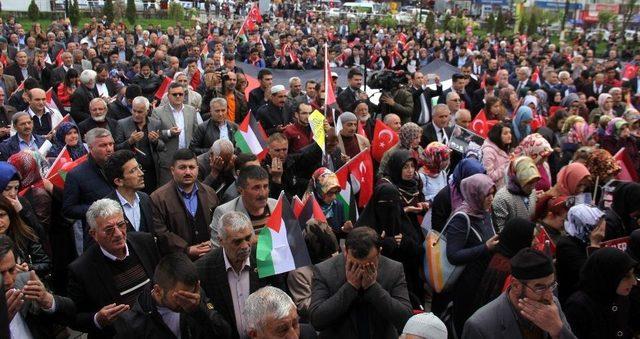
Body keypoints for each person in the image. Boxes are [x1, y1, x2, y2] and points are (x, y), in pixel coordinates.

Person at [67, 199, 160, 338]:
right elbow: (74, 318)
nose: (118, 234)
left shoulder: (145, 242)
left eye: (121, 225)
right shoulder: (81, 269)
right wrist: (98, 319)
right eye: (109, 230)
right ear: (93, 234)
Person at [196, 211, 287, 339]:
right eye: (237, 242)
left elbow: (281, 304)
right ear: (221, 241)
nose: (245, 246)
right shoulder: (203, 270)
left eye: (248, 238)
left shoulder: (266, 258)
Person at [309, 227, 413, 338]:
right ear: (345, 252)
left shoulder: (393, 269)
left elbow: (406, 320)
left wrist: (373, 288)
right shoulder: (325, 270)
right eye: (355, 265)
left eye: (369, 266)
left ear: (379, 253)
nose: (362, 271)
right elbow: (316, 320)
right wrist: (350, 287)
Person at [462, 248, 577, 339]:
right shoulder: (480, 325)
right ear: (516, 285)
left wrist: (557, 330)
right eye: (540, 288)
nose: (549, 295)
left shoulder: (552, 305)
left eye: (551, 285)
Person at [114, 252, 232, 338]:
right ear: (158, 291)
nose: (188, 301)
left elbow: (225, 333)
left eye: (190, 294)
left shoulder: (195, 298)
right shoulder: (134, 324)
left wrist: (199, 311)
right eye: (179, 297)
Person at [444, 173, 499, 336]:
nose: (491, 198)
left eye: (492, 193)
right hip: (465, 284)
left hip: (482, 280)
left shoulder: (485, 212)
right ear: (475, 194)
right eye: (487, 194)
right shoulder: (461, 218)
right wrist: (485, 248)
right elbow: (453, 255)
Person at [356, 181, 423, 308]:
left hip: (403, 284)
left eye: (392, 205)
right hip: (371, 284)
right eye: (383, 205)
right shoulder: (364, 226)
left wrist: (404, 243)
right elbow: (357, 251)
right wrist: (381, 245)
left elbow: (418, 250)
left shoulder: (403, 222)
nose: (388, 211)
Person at [0, 235, 76, 339]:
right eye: (0, 274)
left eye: (11, 270)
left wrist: (48, 301)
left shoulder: (26, 283)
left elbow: (71, 315)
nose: (8, 281)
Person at [150, 148, 218, 258]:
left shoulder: (209, 193)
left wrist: (214, 242)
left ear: (197, 169)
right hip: (178, 261)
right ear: (172, 170)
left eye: (191, 167)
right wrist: (186, 249)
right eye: (182, 168)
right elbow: (160, 232)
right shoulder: (158, 198)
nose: (187, 172)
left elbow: (218, 223)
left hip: (209, 257)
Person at [564, 248, 637, 339]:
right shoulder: (578, 306)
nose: (634, 282)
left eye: (633, 274)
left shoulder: (620, 295)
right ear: (608, 276)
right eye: (626, 276)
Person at [62, 128, 115, 245]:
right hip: (97, 237)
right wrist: (98, 209)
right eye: (103, 145)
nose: (109, 149)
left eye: (111, 144)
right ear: (90, 148)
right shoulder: (76, 175)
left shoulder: (120, 167)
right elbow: (68, 209)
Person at [474, 217, 536, 309]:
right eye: (532, 238)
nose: (535, 242)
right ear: (520, 239)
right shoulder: (506, 266)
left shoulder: (498, 256)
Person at [210, 165, 278, 248]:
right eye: (256, 188)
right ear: (241, 190)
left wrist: (258, 239)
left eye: (265, 186)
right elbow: (217, 250)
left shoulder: (276, 205)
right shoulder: (224, 212)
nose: (262, 193)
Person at [287, 219, 339, 321]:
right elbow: (303, 305)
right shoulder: (298, 272)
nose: (329, 260)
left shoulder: (334, 255)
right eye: (324, 258)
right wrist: (333, 300)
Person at [556, 204, 606, 303]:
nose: (601, 229)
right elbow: (591, 274)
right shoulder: (567, 245)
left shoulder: (585, 239)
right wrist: (595, 244)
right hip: (576, 300)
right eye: (596, 225)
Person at [152, 83, 200, 185]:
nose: (178, 96)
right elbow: (153, 134)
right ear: (168, 95)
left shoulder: (191, 110)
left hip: (188, 158)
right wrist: (169, 132)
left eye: (180, 94)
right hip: (168, 159)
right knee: (167, 191)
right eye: (174, 94)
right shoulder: (158, 112)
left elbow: (196, 133)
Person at [114, 96, 163, 194]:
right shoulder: (122, 124)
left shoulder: (155, 123)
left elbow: (162, 147)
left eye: (140, 112)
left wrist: (155, 141)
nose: (136, 114)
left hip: (151, 172)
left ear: (147, 111)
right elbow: (116, 149)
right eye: (134, 110)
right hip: (131, 173)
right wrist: (130, 141)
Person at [104, 150, 154, 233]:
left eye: (139, 167)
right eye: (133, 170)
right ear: (118, 181)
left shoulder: (145, 199)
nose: (141, 173)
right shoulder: (106, 209)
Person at [430, 158, 486, 232]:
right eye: (474, 180)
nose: (477, 184)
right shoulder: (445, 196)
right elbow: (437, 226)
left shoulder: (477, 194)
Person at [261, 132, 322, 200]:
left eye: (284, 150)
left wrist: (325, 137)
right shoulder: (263, 171)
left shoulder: (292, 161)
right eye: (277, 150)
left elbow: (311, 155)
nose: (281, 154)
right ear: (269, 151)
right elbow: (271, 199)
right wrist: (276, 180)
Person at [244, 286, 317, 339]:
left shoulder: (308, 334)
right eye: (282, 330)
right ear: (254, 335)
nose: (294, 337)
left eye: (295, 324)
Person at [492, 156, 541, 231]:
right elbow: (500, 230)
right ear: (516, 178)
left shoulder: (532, 192)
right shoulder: (502, 198)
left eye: (535, 182)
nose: (532, 187)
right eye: (529, 183)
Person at [481, 123, 512, 189]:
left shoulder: (503, 146)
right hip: (492, 190)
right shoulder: (488, 151)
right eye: (505, 133)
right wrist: (506, 165)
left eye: (510, 132)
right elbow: (490, 177)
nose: (510, 135)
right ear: (497, 136)